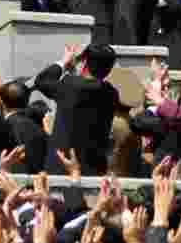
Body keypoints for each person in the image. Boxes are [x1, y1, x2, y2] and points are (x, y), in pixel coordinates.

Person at [35, 43, 119, 175]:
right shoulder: (111, 93)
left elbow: (41, 81)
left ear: (84, 62)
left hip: (62, 167)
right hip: (93, 169)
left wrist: (64, 62)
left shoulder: (70, 85)